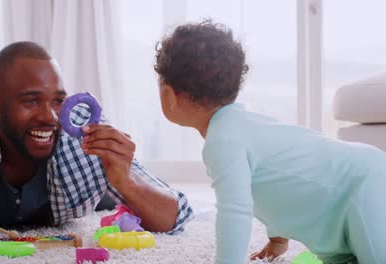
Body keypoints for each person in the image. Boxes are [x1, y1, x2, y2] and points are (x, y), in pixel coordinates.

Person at [154, 20, 386, 264]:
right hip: (351, 197)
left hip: (365, 187)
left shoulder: (222, 142)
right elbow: (276, 181)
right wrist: (278, 239)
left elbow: (235, 213)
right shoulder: (242, 127)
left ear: (169, 95)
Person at [0, 41, 193, 242]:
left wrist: (126, 182)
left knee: (108, 199)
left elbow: (177, 216)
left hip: (76, 198)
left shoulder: (87, 131)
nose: (49, 117)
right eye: (31, 100)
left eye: (58, 100)